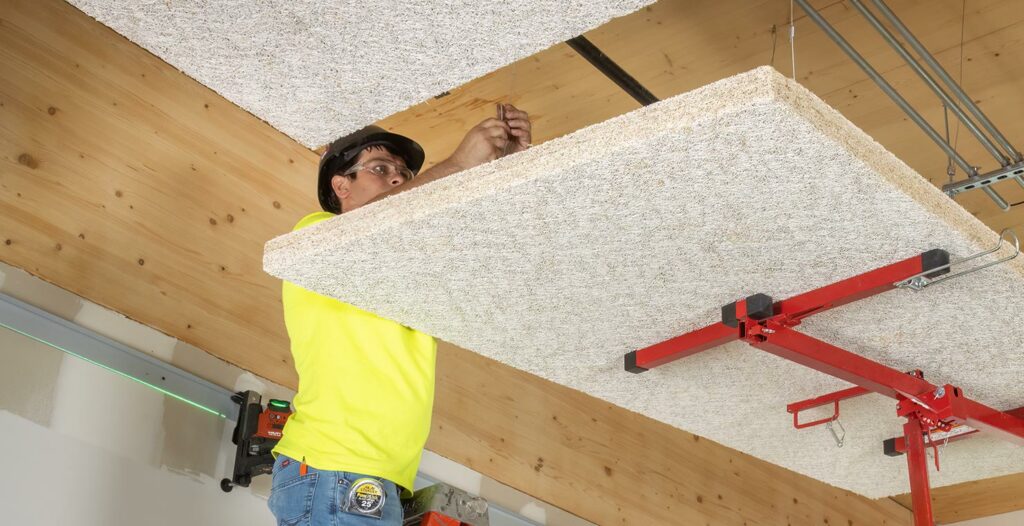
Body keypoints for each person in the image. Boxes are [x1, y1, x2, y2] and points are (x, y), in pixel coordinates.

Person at [268, 105, 532, 525]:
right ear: (341, 185)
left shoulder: (410, 272)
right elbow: (371, 227)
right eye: (379, 167)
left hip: (363, 475)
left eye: (404, 173)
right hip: (336, 465)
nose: (397, 176)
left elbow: (487, 259)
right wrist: (460, 163)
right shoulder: (316, 237)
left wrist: (502, 171)